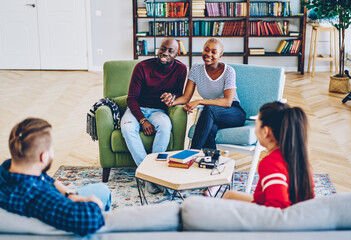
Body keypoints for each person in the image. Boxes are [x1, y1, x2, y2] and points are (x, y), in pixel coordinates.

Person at [0, 118, 111, 236]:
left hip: (60, 202)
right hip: (71, 217)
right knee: (102, 192)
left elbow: (45, 178)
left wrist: (69, 195)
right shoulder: (37, 194)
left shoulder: (9, 170)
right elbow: (89, 220)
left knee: (101, 189)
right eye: (51, 149)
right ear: (44, 157)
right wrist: (94, 203)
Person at [121, 38, 187, 194]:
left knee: (165, 126)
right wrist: (142, 120)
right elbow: (131, 99)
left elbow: (179, 93)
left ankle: (150, 175)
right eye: (163, 48)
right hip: (137, 108)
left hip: (158, 110)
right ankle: (152, 175)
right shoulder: (142, 67)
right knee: (127, 129)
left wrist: (172, 96)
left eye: (170, 50)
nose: (165, 53)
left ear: (176, 54)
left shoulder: (181, 69)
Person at [223, 102, 315, 209]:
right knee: (229, 195)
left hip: (279, 221)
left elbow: (277, 208)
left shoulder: (271, 163)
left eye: (256, 124)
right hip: (301, 216)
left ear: (266, 131)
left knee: (227, 201)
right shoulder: (298, 156)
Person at [165, 37, 246, 150]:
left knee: (209, 109)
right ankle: (211, 162)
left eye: (214, 52)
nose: (208, 54)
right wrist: (171, 101)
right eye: (206, 50)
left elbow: (227, 102)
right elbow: (186, 97)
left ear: (220, 55)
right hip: (212, 115)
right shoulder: (196, 69)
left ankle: (191, 153)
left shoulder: (228, 71)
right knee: (210, 129)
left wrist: (199, 101)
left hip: (234, 113)